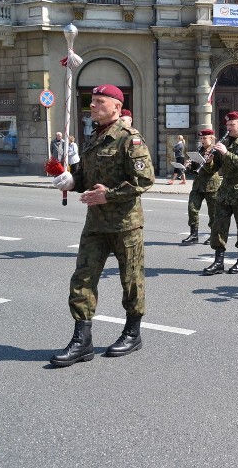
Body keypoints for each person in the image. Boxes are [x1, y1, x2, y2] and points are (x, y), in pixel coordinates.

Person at [49, 84, 154, 367]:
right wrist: (71, 182)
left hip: (124, 224)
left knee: (131, 280)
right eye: (91, 101)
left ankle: (133, 333)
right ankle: (82, 341)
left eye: (98, 101)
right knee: (82, 278)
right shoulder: (93, 138)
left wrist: (108, 194)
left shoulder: (129, 139)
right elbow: (84, 175)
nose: (92, 106)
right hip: (95, 224)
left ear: (116, 107)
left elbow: (144, 180)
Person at [201, 112, 238, 275]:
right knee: (218, 226)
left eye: (232, 125)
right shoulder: (224, 141)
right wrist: (209, 161)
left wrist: (227, 153)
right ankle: (219, 261)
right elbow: (215, 168)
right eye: (227, 125)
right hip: (225, 190)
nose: (229, 128)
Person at [181, 129, 222, 245]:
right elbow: (195, 167)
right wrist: (188, 164)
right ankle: (194, 234)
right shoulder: (199, 149)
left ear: (211, 138)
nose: (202, 140)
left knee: (213, 212)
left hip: (211, 185)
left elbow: (213, 169)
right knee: (192, 208)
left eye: (204, 138)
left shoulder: (216, 151)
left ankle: (214, 236)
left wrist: (209, 162)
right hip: (198, 185)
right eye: (201, 138)